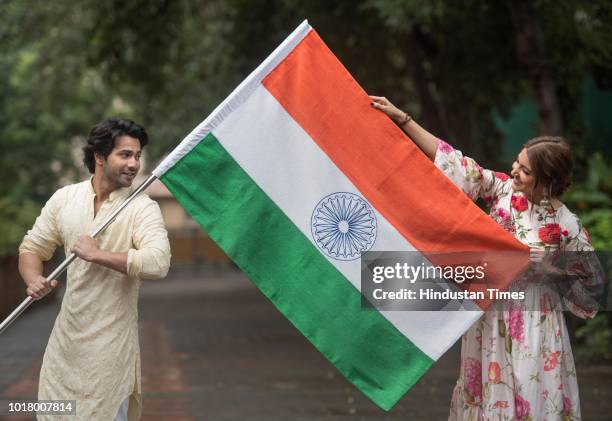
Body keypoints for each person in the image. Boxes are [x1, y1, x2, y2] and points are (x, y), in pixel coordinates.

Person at [370, 96, 603, 420]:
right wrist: (403, 120)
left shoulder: (567, 226)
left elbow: (590, 293)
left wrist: (547, 268)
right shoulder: (503, 192)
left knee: (529, 395)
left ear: (546, 180)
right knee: (487, 394)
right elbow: (457, 163)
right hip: (490, 315)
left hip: (536, 322)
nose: (513, 171)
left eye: (524, 169)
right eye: (516, 163)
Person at [19, 118, 171, 421]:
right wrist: (33, 278)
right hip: (65, 344)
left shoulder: (141, 207)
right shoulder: (65, 199)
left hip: (111, 349)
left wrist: (97, 254)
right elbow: (32, 248)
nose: (134, 163)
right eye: (125, 154)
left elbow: (158, 263)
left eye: (137, 156)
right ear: (100, 157)